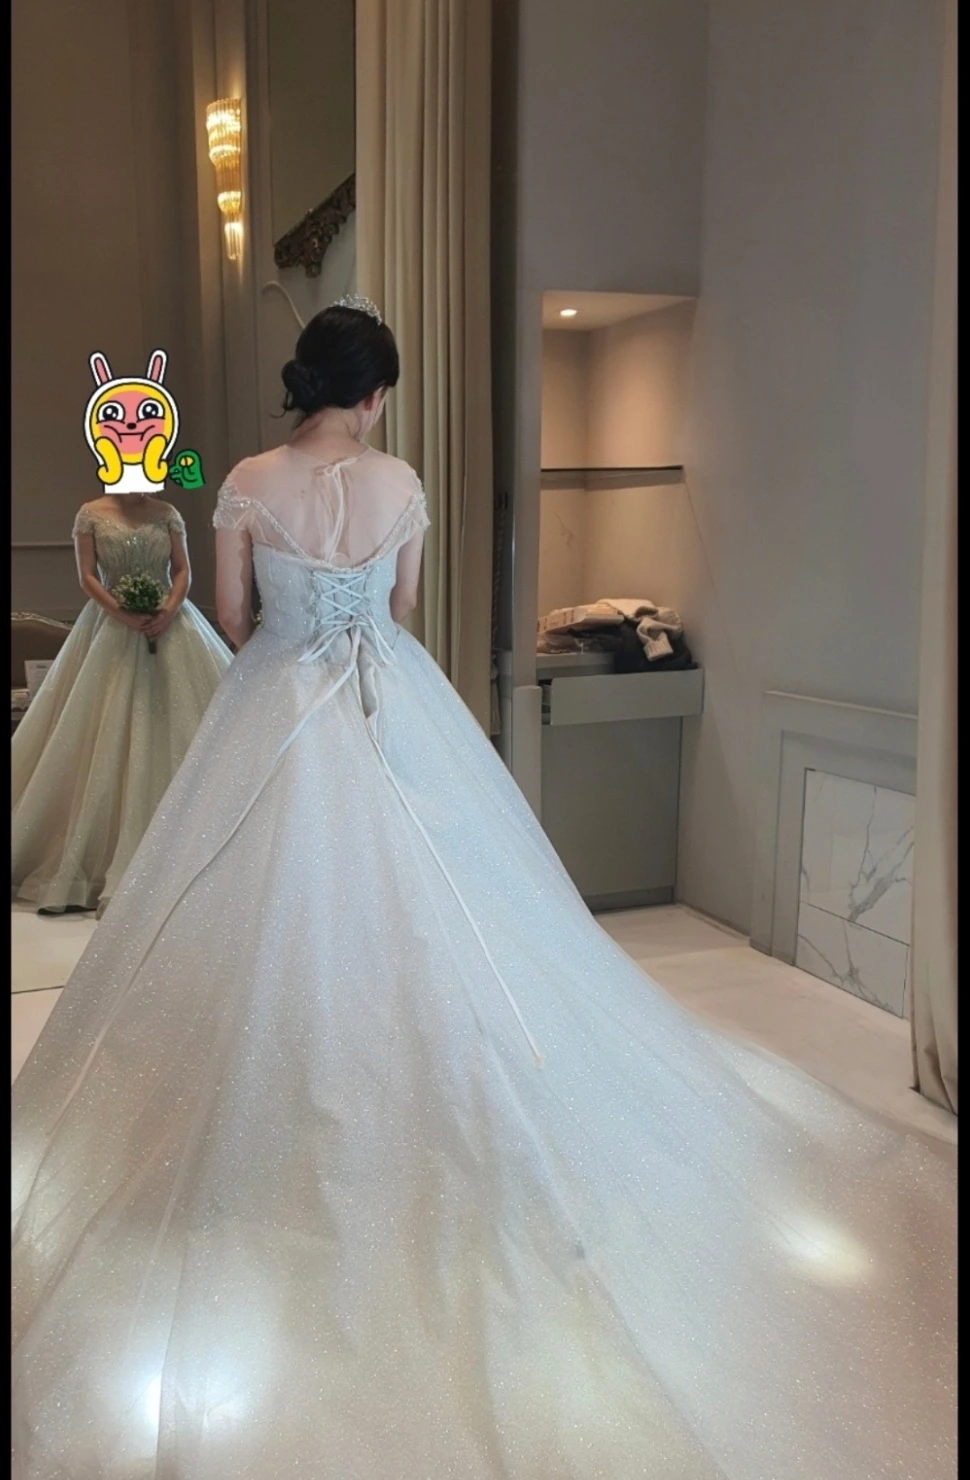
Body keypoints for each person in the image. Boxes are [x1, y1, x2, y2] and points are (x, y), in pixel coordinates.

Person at [12, 298, 955, 1480]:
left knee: (259, 907)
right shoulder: (401, 482)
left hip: (278, 709)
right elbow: (403, 607)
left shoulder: (246, 480)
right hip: (393, 702)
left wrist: (303, 633)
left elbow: (239, 619)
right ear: (373, 395)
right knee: (449, 902)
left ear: (309, 381)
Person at [11, 492, 230, 916]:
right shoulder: (91, 514)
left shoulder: (167, 513)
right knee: (103, 726)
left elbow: (183, 570)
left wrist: (169, 609)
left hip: (172, 621)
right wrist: (123, 613)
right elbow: (87, 576)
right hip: (110, 624)